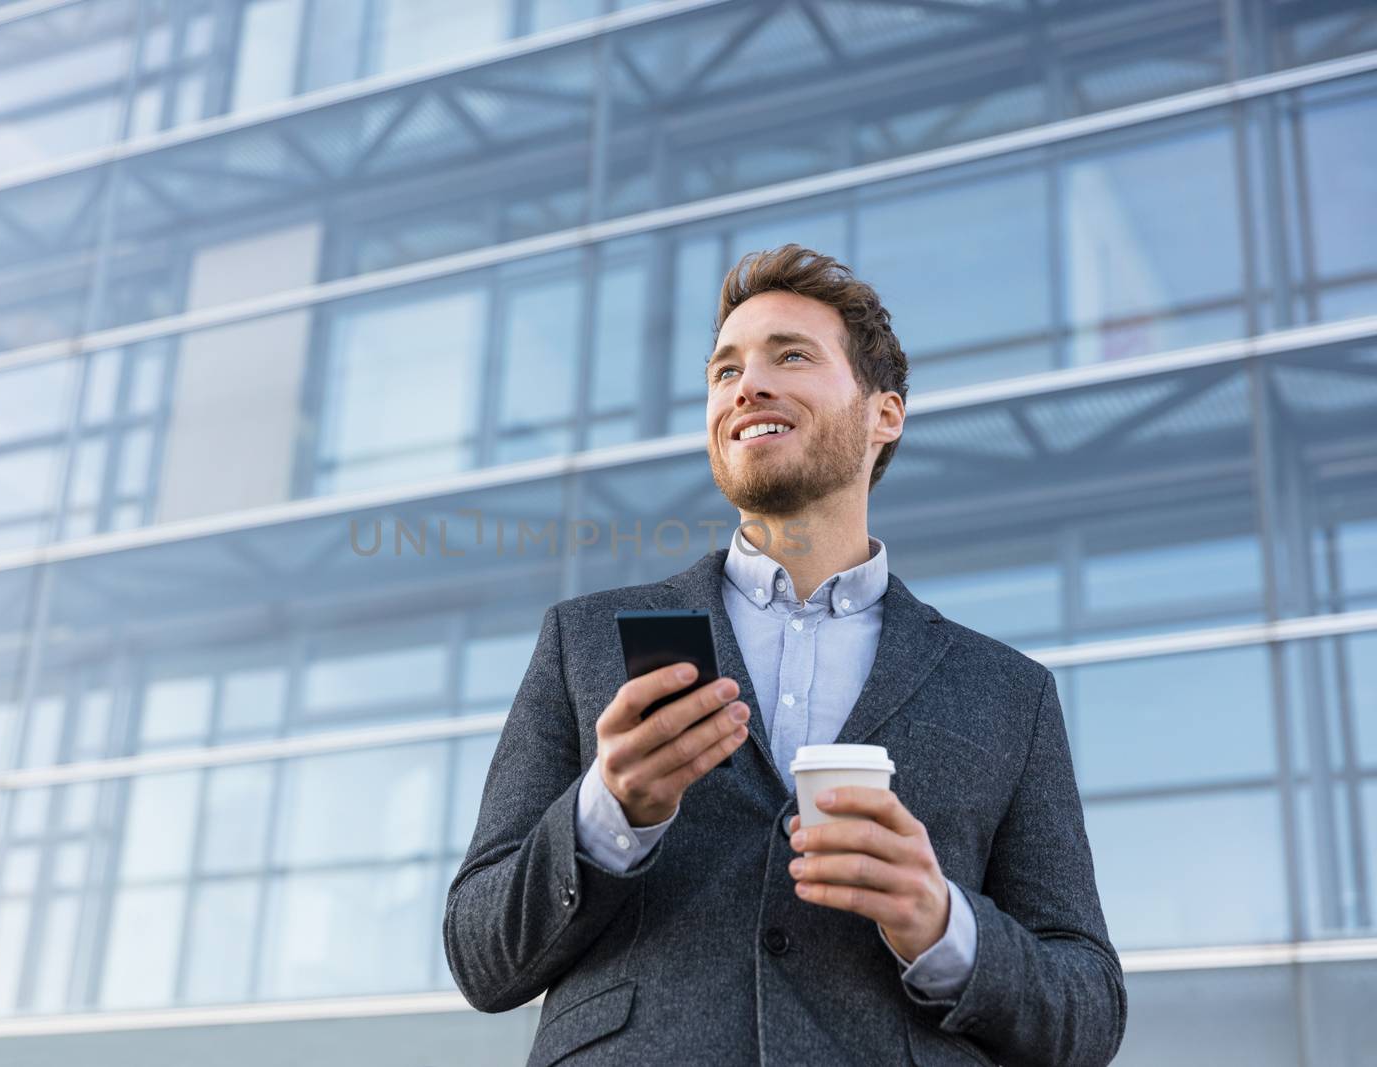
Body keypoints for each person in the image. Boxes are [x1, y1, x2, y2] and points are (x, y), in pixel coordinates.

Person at [443, 244, 1126, 1066]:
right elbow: (480, 956)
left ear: (885, 414)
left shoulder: (1009, 693)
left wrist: (943, 924)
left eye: (790, 355)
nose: (746, 385)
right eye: (724, 369)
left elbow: (1087, 1009)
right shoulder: (581, 640)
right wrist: (607, 812)